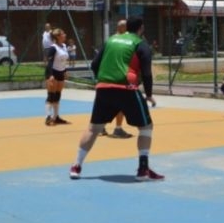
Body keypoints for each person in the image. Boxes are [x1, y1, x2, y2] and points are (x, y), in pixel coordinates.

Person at [69, 16, 162, 181]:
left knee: (93, 129)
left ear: (126, 27)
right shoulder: (141, 44)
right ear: (141, 28)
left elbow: (94, 64)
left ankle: (76, 166)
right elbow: (147, 73)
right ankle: (143, 169)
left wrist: (103, 79)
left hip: (104, 88)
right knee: (146, 127)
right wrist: (148, 94)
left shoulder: (110, 40)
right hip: (126, 89)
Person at [100, 19, 132, 138]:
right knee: (120, 104)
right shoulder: (127, 41)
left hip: (107, 76)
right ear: (123, 28)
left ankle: (101, 126)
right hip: (119, 76)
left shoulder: (110, 40)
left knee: (110, 103)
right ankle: (118, 129)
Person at [44, 27, 71, 125]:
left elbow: (63, 61)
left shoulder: (64, 46)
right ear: (58, 36)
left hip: (61, 72)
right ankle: (48, 117)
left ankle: (56, 117)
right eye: (63, 34)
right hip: (53, 72)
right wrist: (50, 75)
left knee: (58, 95)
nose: (65, 35)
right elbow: (49, 62)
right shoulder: (53, 48)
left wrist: (65, 71)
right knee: (51, 95)